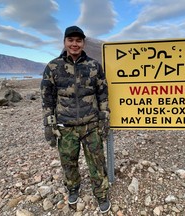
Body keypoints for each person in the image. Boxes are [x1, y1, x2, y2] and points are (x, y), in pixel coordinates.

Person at [40, 25, 111, 213]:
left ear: (83, 43)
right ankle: (73, 189)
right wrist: (49, 123)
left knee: (97, 163)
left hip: (90, 126)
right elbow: (47, 97)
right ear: (65, 42)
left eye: (78, 40)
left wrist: (104, 118)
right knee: (68, 162)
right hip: (66, 126)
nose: (74, 44)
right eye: (70, 40)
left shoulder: (94, 66)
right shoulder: (53, 67)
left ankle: (101, 193)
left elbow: (102, 94)